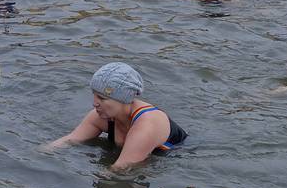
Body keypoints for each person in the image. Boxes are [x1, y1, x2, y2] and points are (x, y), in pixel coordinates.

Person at [47, 62, 188, 171]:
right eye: (94, 95)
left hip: (178, 156)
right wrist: (40, 155)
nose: (94, 103)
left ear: (123, 99)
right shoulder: (103, 115)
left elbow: (121, 167)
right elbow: (71, 140)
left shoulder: (147, 124)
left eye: (102, 98)